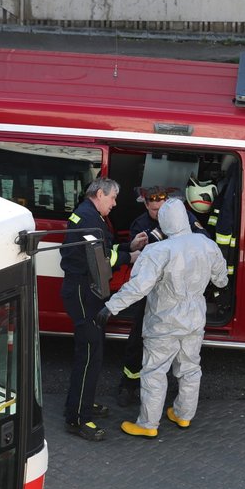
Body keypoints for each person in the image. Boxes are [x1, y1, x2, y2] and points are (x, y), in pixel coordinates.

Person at [96, 198, 228, 438]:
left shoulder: (159, 250)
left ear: (165, 221)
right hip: (194, 318)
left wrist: (111, 307)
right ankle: (183, 415)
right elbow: (221, 279)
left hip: (164, 321)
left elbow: (139, 287)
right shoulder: (207, 244)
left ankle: (148, 424)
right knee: (189, 369)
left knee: (154, 372)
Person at [61, 177, 147, 441]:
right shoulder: (88, 218)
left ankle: (82, 404)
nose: (115, 203)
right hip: (84, 293)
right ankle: (77, 419)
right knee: (89, 356)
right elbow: (99, 258)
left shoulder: (89, 215)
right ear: (100, 194)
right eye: (113, 198)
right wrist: (129, 257)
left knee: (94, 354)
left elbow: (103, 249)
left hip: (89, 292)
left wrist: (127, 246)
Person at [117, 185, 208, 407]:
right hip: (151, 292)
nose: (157, 214)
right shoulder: (140, 224)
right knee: (138, 338)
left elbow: (203, 239)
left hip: (179, 290)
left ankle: (170, 393)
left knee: (184, 348)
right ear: (146, 205)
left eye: (161, 209)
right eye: (153, 210)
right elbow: (139, 259)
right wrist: (148, 240)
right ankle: (129, 385)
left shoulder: (184, 216)